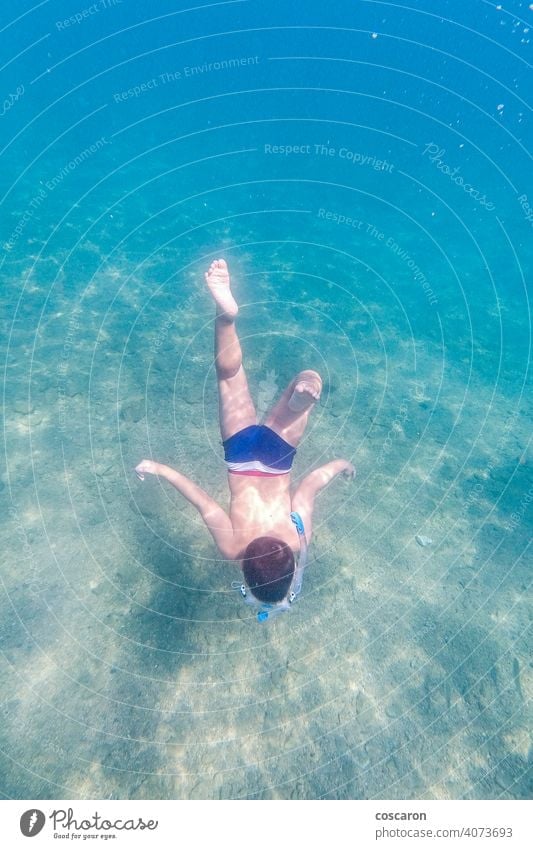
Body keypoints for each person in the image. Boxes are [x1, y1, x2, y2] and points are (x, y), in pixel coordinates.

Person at [135, 259, 354, 620]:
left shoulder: (298, 538)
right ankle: (226, 317)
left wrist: (341, 464)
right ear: (244, 575)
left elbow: (312, 485)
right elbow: (202, 502)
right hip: (239, 455)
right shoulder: (232, 546)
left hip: (276, 458)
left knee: (307, 379)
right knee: (228, 374)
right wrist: (159, 468)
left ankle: (305, 390)